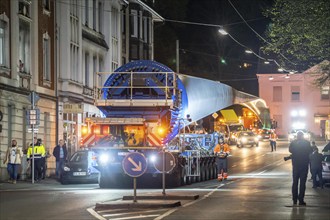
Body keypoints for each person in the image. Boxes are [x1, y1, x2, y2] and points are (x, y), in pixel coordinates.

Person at [289, 131, 313, 206]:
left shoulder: (293, 143)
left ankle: (294, 200)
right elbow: (310, 151)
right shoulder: (306, 143)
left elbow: (290, 150)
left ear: (297, 136)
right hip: (304, 165)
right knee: (302, 184)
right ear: (303, 136)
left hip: (295, 165)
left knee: (295, 183)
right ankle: (301, 200)